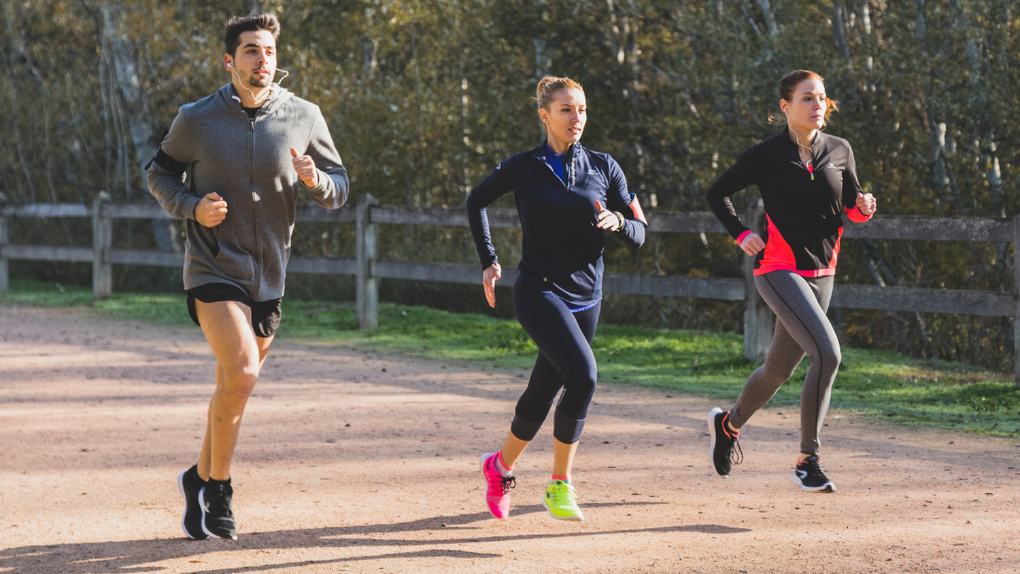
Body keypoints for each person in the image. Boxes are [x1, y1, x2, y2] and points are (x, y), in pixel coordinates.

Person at [146, 13, 349, 540]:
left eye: (269, 51)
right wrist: (192, 207)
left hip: (271, 277)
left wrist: (317, 179)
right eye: (252, 51)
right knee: (241, 371)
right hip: (213, 267)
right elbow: (159, 173)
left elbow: (340, 185)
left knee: (232, 388)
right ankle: (220, 490)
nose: (263, 60)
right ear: (229, 60)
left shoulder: (304, 115)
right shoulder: (197, 118)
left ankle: (196, 477)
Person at [466, 76, 647, 521]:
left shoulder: (606, 167)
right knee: (583, 375)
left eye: (581, 109)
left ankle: (500, 465)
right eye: (566, 110)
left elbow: (642, 231)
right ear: (545, 115)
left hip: (588, 298)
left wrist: (619, 223)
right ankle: (560, 484)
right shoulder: (523, 166)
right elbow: (476, 201)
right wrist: (489, 261)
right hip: (538, 289)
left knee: (544, 390)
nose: (576, 118)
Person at [705, 70, 876, 492]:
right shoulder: (765, 155)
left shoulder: (840, 149)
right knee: (828, 354)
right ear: (786, 107)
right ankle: (807, 459)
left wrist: (865, 208)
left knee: (777, 371)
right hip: (779, 269)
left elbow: (850, 209)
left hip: (824, 273)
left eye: (821, 98)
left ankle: (728, 425)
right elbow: (716, 193)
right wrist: (742, 233)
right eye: (807, 98)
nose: (818, 105)